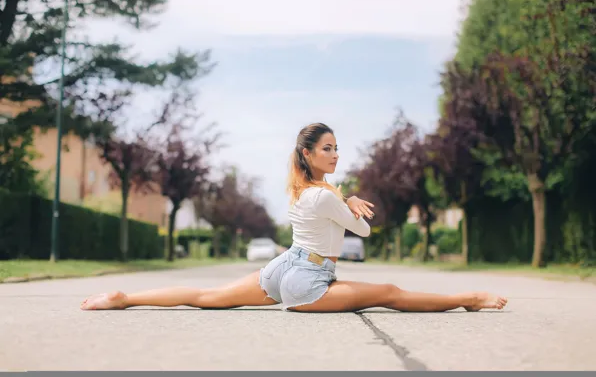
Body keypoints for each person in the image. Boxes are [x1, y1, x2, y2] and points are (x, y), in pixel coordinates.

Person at [80, 123, 507, 313]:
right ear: (308, 153)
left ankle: (125, 299)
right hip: (307, 281)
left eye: (337, 147)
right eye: (327, 148)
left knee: (207, 297)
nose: (335, 153)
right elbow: (364, 230)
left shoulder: (303, 190)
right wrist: (351, 203)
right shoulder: (324, 194)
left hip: (286, 266)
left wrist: (344, 198)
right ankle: (469, 300)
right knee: (390, 292)